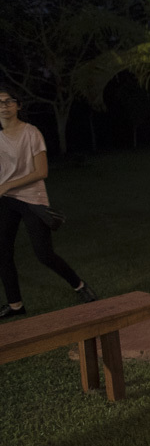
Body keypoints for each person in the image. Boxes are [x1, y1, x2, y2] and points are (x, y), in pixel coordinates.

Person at [0, 86, 97, 318]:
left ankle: (80, 285)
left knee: (44, 254)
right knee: (2, 254)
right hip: (6, 201)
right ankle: (16, 305)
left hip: (32, 198)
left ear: (18, 106)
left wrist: (8, 184)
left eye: (9, 101)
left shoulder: (31, 133)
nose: (3, 106)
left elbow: (41, 171)